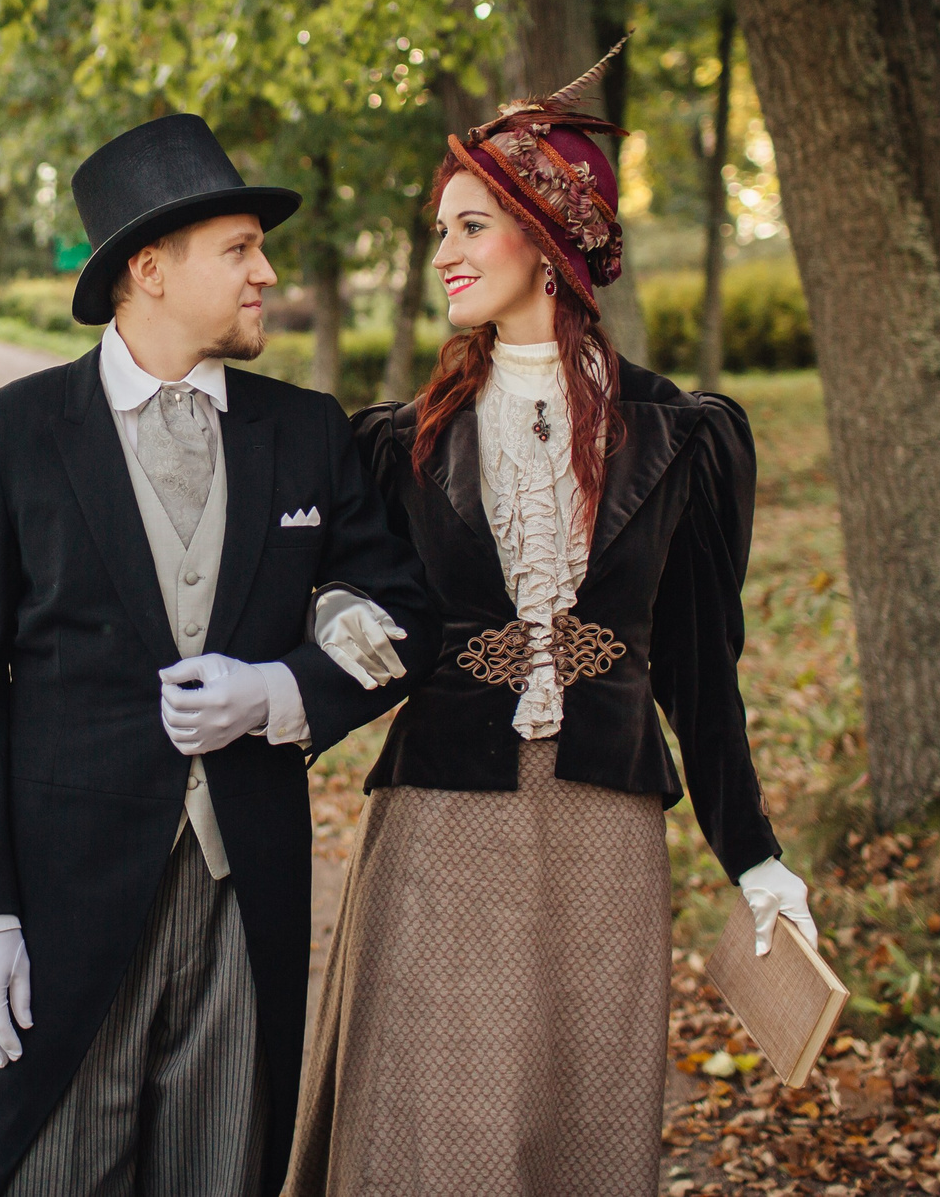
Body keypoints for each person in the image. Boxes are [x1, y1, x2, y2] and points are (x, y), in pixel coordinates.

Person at [284, 76, 818, 1197]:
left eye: (469, 226)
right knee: (430, 1120)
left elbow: (700, 674)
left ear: (548, 239)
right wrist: (328, 609)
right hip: (440, 814)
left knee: (579, 1118)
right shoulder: (397, 446)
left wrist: (756, 856)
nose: (444, 254)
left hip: (602, 823)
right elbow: (347, 596)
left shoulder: (680, 439)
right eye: (439, 231)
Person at [0, 113, 440, 1197]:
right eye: (239, 250)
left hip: (243, 888)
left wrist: (279, 691)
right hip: (66, 899)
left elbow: (404, 611)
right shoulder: (6, 438)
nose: (267, 273)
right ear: (149, 270)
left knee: (220, 1175)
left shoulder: (304, 430)